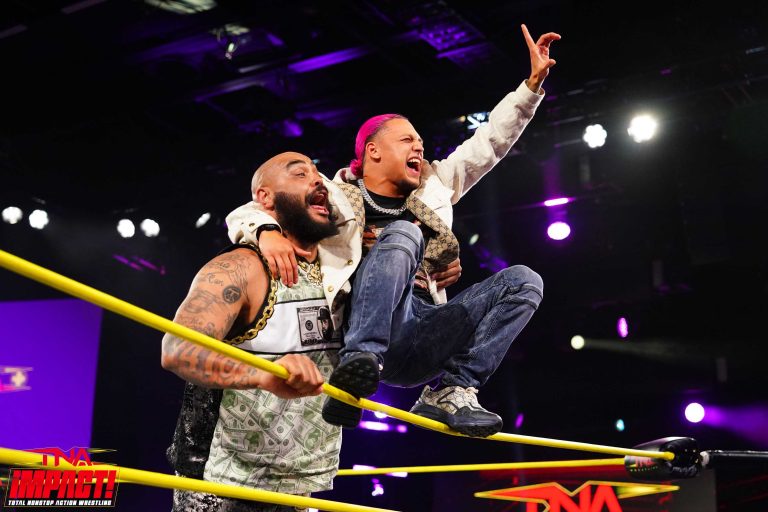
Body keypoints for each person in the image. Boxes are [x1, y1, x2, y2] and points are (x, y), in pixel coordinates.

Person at [226, 24, 560, 438]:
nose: (419, 147)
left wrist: (531, 86)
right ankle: (358, 365)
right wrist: (266, 232)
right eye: (407, 140)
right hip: (371, 329)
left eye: (420, 141)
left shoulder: (436, 185)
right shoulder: (333, 194)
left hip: (427, 327)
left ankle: (454, 390)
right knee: (404, 233)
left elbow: (490, 143)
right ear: (373, 151)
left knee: (524, 281)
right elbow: (253, 206)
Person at [162, 152, 361, 512]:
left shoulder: (341, 273)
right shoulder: (240, 266)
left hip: (300, 487)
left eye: (318, 174)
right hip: (223, 485)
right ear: (265, 198)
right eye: (300, 174)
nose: (318, 180)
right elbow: (178, 350)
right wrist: (263, 376)